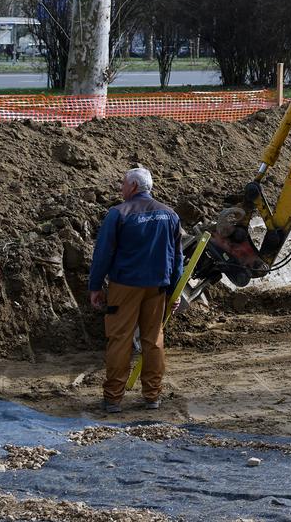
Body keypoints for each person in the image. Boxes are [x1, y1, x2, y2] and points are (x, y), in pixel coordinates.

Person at [88, 167, 183, 414]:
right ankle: (152, 395)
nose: (121, 189)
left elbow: (103, 253)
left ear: (132, 186)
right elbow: (177, 257)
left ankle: (113, 399)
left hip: (125, 286)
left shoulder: (119, 214)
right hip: (157, 287)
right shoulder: (170, 215)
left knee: (120, 339)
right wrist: (175, 291)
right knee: (154, 340)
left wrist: (95, 286)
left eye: (122, 184)